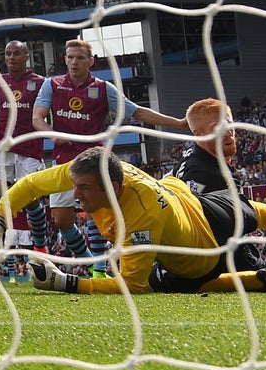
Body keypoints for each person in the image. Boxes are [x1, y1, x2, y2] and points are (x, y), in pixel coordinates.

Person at [0, 145, 266, 293]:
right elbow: (30, 184)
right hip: (199, 201)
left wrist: (70, 284)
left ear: (113, 188)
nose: (75, 194)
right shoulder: (87, 170)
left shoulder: (140, 216)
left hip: (199, 256)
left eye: (84, 190)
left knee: (212, 282)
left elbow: (133, 286)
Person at [31, 39, 185, 267]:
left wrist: (178, 123)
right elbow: (37, 117)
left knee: (96, 213)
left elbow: (138, 112)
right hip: (63, 160)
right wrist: (52, 134)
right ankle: (90, 260)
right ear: (65, 59)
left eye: (80, 57)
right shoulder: (52, 85)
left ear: (90, 61)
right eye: (70, 57)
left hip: (93, 160)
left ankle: (100, 268)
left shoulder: (103, 89)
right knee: (61, 220)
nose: (74, 62)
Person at [0, 40, 50, 275]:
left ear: (27, 56)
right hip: (2, 143)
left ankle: (40, 243)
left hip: (30, 147)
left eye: (16, 53)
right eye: (8, 53)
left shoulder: (41, 84)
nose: (11, 58)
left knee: (29, 200)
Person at [174, 97, 234, 196]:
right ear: (198, 134)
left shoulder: (192, 153)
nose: (228, 132)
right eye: (217, 127)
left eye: (230, 125)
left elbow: (172, 174)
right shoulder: (205, 176)